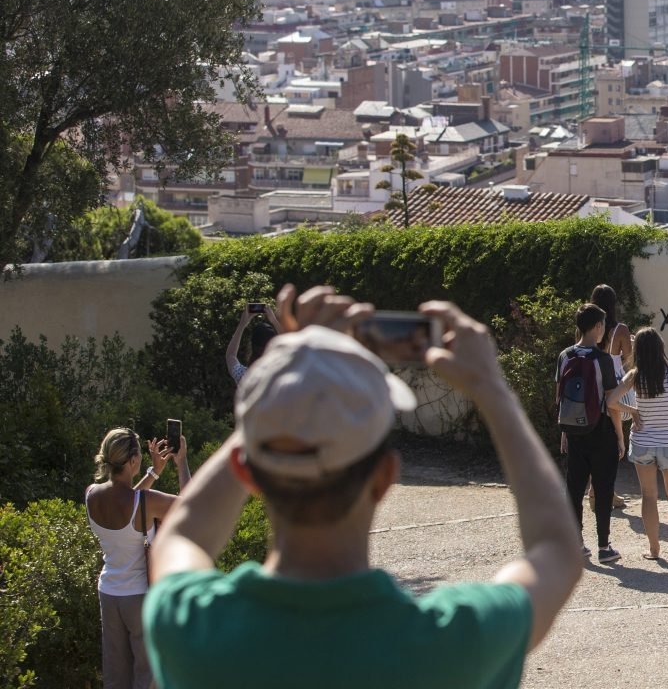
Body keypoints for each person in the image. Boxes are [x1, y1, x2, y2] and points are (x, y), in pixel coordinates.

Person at [143, 285, 584, 689]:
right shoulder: (451, 643)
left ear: (247, 470)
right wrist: (491, 388)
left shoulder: (192, 628)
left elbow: (182, 532)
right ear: (385, 478)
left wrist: (288, 374)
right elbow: (557, 551)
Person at [86, 426, 189, 689]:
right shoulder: (146, 501)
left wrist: (153, 472)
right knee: (147, 675)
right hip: (139, 597)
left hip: (108, 593)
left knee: (115, 673)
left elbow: (129, 503)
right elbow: (191, 508)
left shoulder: (92, 495)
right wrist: (181, 462)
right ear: (132, 461)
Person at [607, 326, 668, 558]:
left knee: (649, 495)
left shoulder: (635, 376)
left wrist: (633, 410)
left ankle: (654, 549)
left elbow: (612, 400)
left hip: (643, 439)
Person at [558, 302, 626, 564]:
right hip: (601, 431)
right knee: (603, 487)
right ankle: (604, 546)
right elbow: (611, 403)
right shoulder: (603, 360)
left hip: (574, 431)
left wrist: (564, 430)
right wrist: (620, 436)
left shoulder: (565, 356)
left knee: (574, 489)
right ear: (598, 327)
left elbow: (561, 397)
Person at [589, 283, 635, 510]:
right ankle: (605, 492)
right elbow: (630, 362)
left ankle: (594, 490)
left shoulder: (585, 328)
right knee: (613, 442)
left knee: (595, 439)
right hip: (614, 388)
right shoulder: (621, 330)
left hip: (591, 386)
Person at [223, 302, 279, 385]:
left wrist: (242, 324)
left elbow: (230, 355)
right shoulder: (281, 377)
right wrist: (274, 321)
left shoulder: (244, 376)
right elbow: (295, 349)